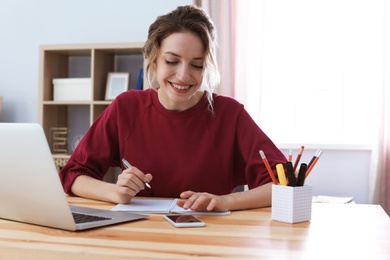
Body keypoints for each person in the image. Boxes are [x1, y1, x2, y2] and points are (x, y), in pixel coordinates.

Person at [59, 5, 287, 212]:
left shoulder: (230, 113)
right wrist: (116, 193)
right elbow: (73, 175)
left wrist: (225, 201)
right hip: (139, 236)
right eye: (172, 61)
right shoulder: (126, 107)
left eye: (197, 65)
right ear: (154, 59)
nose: (184, 75)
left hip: (209, 238)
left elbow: (284, 183)